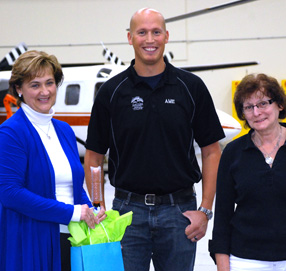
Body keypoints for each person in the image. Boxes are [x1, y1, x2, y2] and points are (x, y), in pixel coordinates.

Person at [84, 7, 224, 271]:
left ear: (167, 36)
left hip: (179, 213)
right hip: (125, 213)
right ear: (130, 38)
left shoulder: (191, 88)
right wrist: (98, 207)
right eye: (142, 32)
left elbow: (211, 151)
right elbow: (93, 156)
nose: (150, 39)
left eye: (156, 32)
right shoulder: (111, 93)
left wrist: (205, 211)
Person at [0, 50, 102, 271]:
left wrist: (89, 209)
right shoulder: (11, 132)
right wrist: (72, 212)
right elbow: (10, 193)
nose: (44, 91)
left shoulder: (64, 130)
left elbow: (74, 186)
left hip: (71, 238)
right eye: (35, 85)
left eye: (49, 83)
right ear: (19, 89)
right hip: (32, 241)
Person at [209, 73, 286, 271]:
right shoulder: (233, 153)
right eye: (248, 107)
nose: (256, 112)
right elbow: (223, 217)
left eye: (263, 103)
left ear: (280, 105)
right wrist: (223, 266)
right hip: (246, 260)